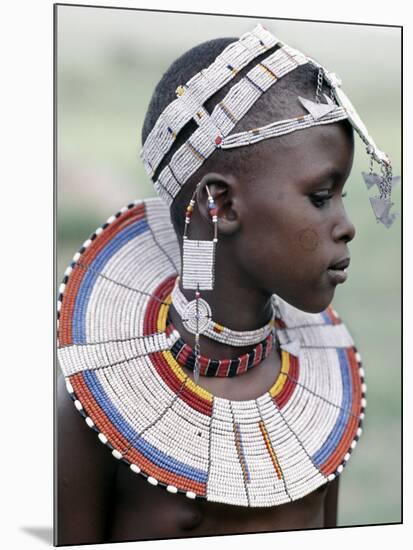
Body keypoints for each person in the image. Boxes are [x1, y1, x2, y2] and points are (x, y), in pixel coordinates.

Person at [56, 24, 398, 545]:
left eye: (343, 194)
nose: (347, 224)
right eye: (322, 195)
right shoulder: (93, 406)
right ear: (221, 205)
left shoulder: (330, 394)